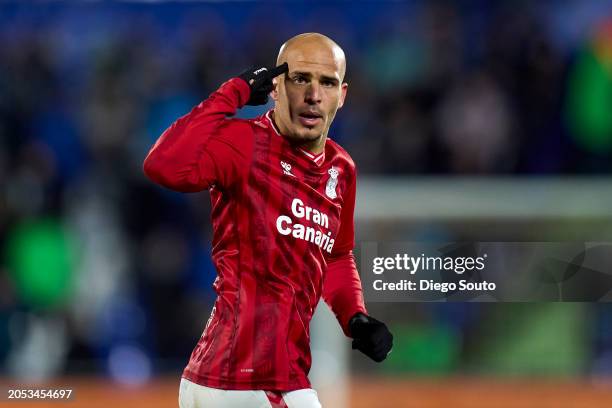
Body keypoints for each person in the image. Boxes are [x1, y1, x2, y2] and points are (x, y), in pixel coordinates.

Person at [143, 32, 393, 408]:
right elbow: (163, 165)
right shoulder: (243, 143)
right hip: (239, 380)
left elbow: (337, 256)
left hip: (277, 376)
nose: (313, 95)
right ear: (275, 87)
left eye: (326, 83)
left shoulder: (341, 169)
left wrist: (355, 317)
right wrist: (232, 94)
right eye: (300, 79)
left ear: (342, 95)